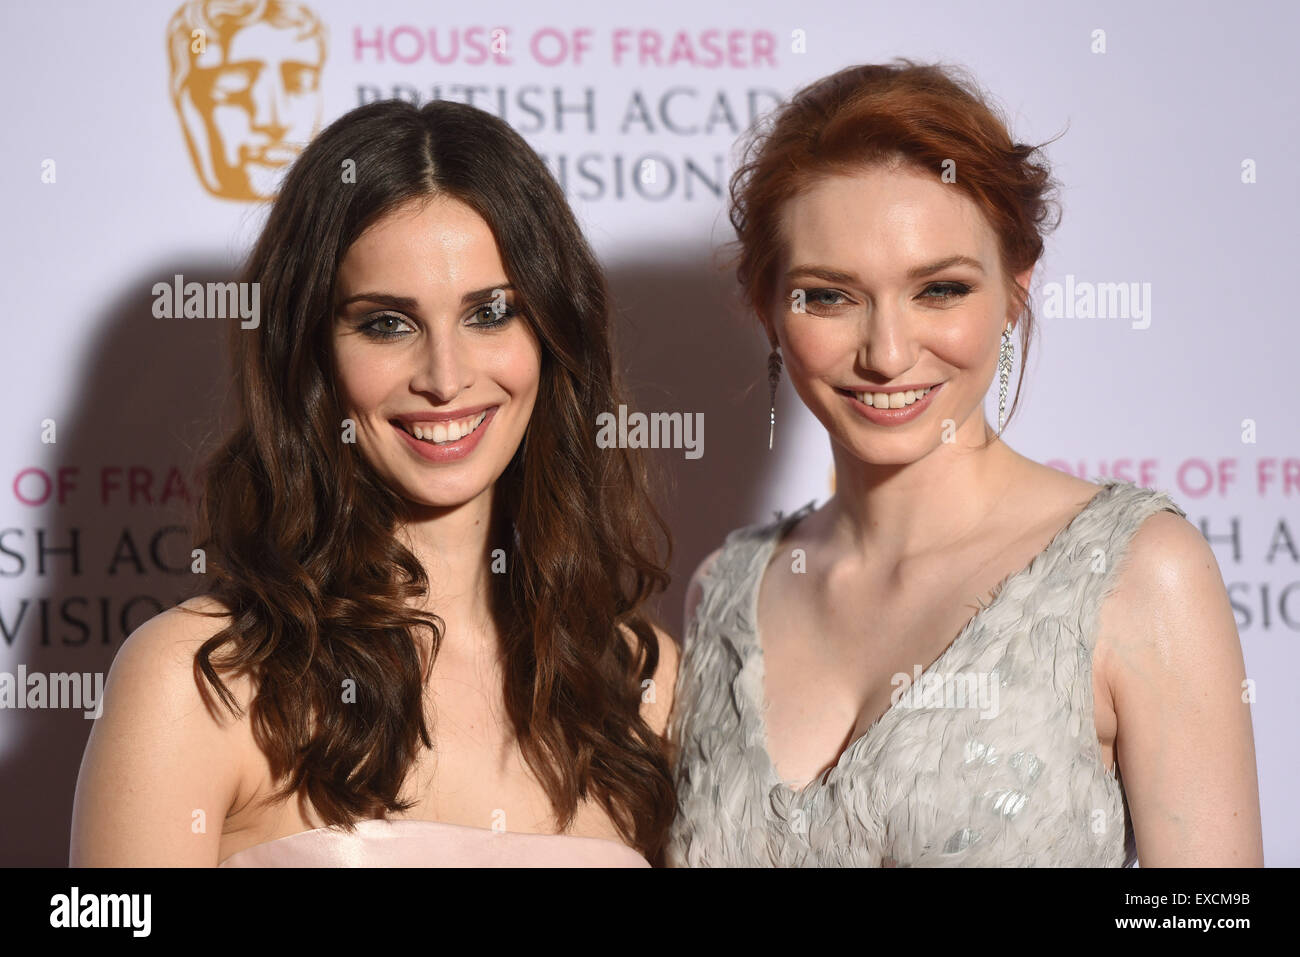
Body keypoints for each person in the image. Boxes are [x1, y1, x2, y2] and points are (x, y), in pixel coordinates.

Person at [667, 60, 1264, 866]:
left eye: (940, 290)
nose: (886, 352)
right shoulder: (724, 592)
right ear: (768, 307)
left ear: (1016, 291)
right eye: (829, 296)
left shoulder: (1137, 570)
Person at [70, 98, 678, 867]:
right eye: (387, 323)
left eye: (490, 313)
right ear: (308, 352)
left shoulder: (639, 683)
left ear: (554, 335)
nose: (446, 378)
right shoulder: (200, 678)